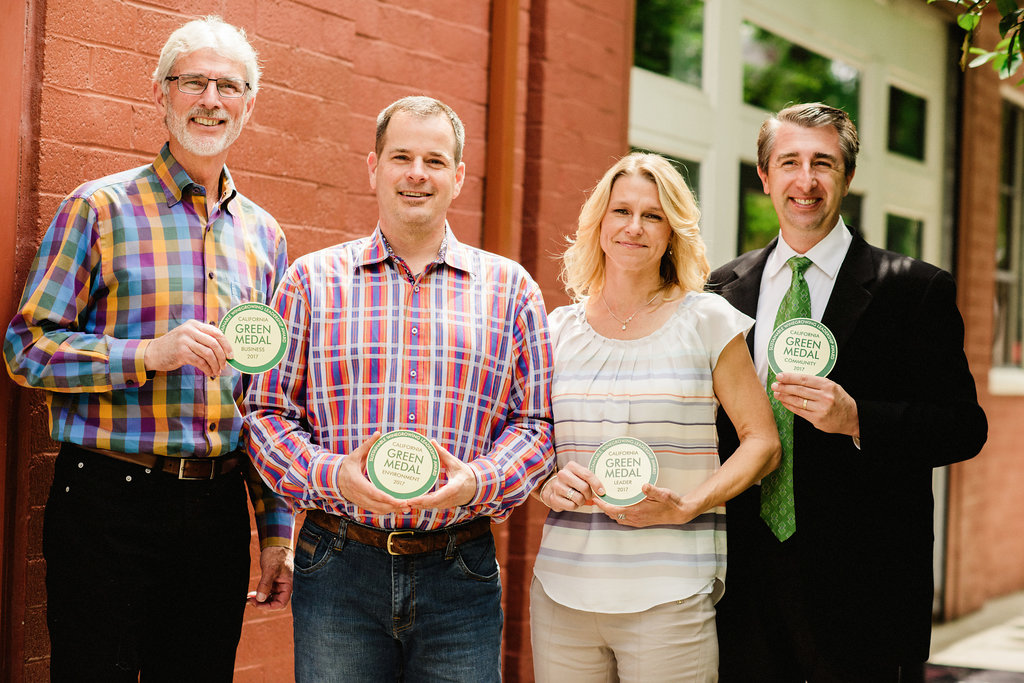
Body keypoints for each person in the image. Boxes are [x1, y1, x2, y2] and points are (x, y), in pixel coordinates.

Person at [3, 16, 293, 682]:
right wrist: (146, 354)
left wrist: (273, 528)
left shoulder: (265, 237)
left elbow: (264, 395)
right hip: (109, 502)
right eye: (194, 81)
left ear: (250, 104)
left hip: (215, 513)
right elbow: (26, 348)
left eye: (228, 85)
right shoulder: (98, 209)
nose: (211, 98)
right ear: (161, 93)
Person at [245, 95, 554, 683]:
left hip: (459, 568)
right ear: (373, 167)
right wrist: (330, 473)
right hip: (337, 565)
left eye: (435, 161)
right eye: (401, 157)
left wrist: (475, 482)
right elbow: (265, 411)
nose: (417, 173)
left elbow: (537, 425)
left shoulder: (511, 289)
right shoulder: (310, 281)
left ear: (458, 176)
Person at [709, 103, 988, 682]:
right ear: (764, 176)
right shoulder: (722, 291)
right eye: (789, 162)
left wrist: (859, 419)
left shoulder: (915, 289)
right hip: (746, 583)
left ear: (848, 177)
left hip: (866, 590)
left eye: (823, 163)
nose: (805, 181)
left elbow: (964, 427)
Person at [529, 152, 780, 682]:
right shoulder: (554, 331)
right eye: (621, 211)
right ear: (598, 224)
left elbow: (762, 442)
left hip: (670, 591)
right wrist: (544, 482)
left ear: (672, 232)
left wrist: (689, 504)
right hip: (562, 591)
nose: (634, 227)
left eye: (653, 215)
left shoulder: (707, 320)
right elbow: (529, 445)